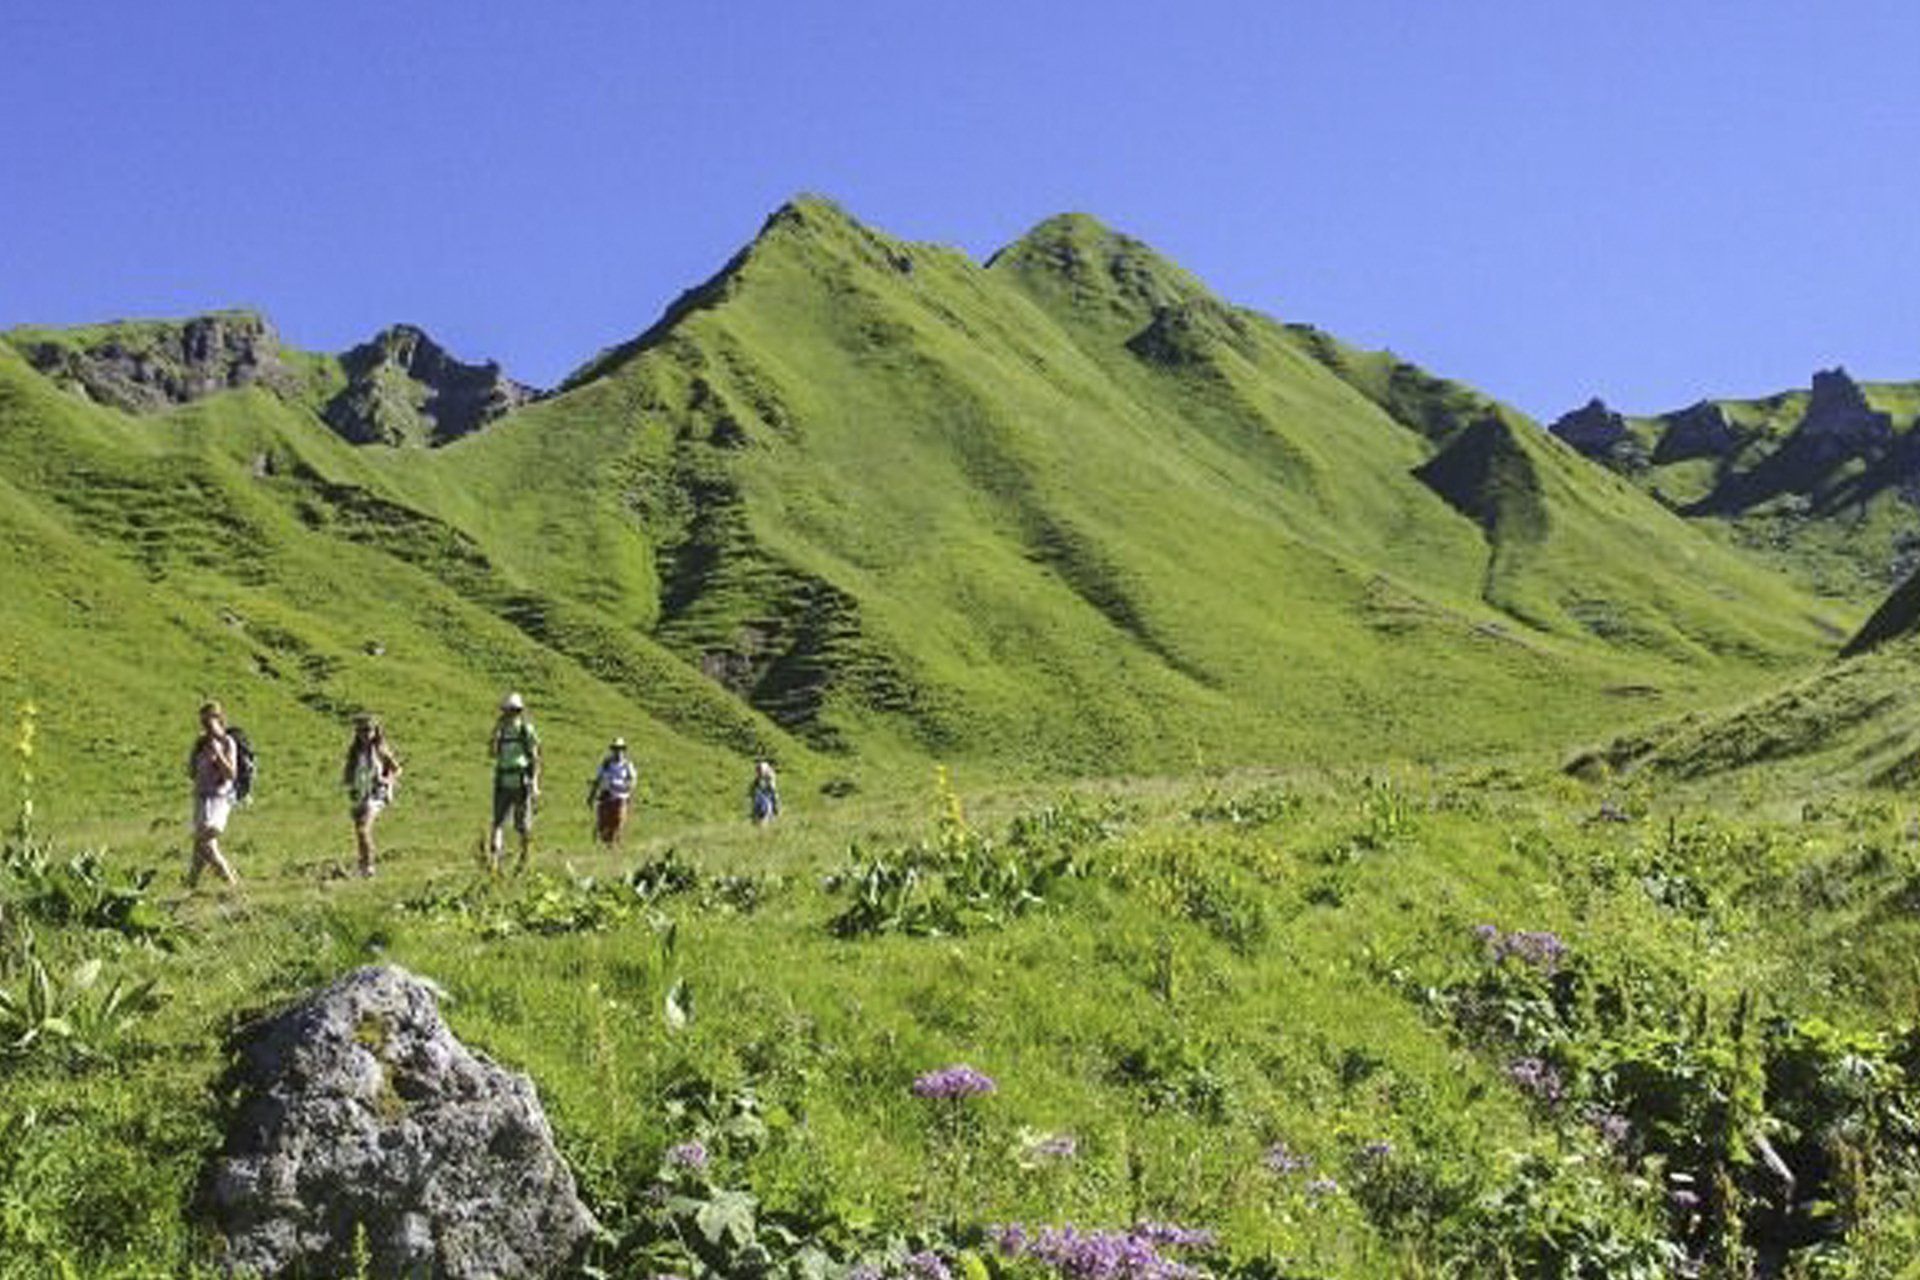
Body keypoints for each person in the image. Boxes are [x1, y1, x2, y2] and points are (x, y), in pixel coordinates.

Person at [186, 700, 240, 888]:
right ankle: (190, 884)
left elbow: (231, 774)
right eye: (203, 723)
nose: (206, 727)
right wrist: (195, 756)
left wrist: (219, 755)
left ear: (219, 719)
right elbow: (192, 773)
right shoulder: (200, 743)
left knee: (205, 842)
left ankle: (230, 883)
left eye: (209, 722)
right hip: (200, 798)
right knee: (202, 845)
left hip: (218, 798)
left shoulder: (228, 742)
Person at [342, 715, 402, 877]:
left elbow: (396, 769)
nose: (365, 734)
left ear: (376, 732)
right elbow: (348, 775)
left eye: (368, 730)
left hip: (376, 794)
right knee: (360, 831)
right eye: (361, 730)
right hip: (360, 794)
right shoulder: (355, 752)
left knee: (363, 829)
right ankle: (363, 864)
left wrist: (387, 779)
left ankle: (368, 867)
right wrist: (349, 782)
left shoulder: (380, 750)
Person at [488, 692, 541, 871]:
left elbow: (535, 758)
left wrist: (534, 784)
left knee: (522, 825)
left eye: (513, 711)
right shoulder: (501, 731)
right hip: (502, 780)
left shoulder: (526, 730)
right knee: (498, 822)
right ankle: (494, 860)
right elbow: (492, 753)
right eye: (507, 711)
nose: (509, 715)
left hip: (520, 781)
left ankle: (525, 857)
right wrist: (495, 732)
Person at [586, 737, 636, 846]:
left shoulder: (627, 765)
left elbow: (632, 781)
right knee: (603, 823)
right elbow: (598, 779)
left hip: (621, 797)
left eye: (620, 749)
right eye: (616, 749)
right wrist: (591, 796)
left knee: (617, 822)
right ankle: (605, 845)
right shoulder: (606, 763)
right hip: (607, 795)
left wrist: (624, 786)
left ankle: (615, 844)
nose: (618, 752)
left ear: (623, 750)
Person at [749, 759, 780, 826]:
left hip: (768, 791)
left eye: (759, 771)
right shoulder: (760, 773)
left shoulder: (770, 774)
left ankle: (774, 811)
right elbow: (756, 783)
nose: (758, 772)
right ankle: (757, 816)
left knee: (773, 800)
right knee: (758, 801)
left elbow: (772, 787)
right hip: (762, 792)